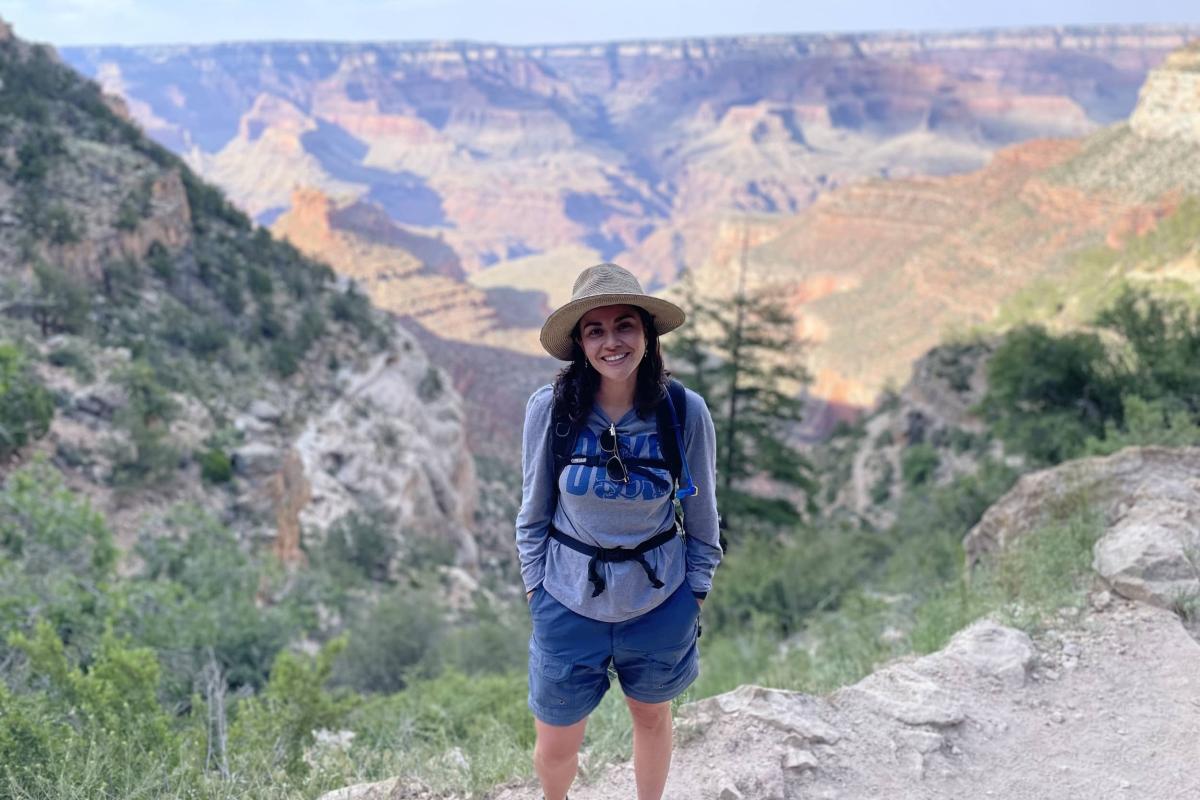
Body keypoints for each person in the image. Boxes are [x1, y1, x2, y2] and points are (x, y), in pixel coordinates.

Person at [516, 262, 723, 800]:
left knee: (652, 719)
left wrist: (694, 592)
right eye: (596, 329)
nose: (612, 341)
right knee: (556, 746)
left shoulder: (683, 411)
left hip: (659, 601)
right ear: (580, 343)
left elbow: (703, 517)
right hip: (565, 601)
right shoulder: (552, 410)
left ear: (647, 334)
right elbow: (532, 511)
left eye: (625, 325)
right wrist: (537, 590)